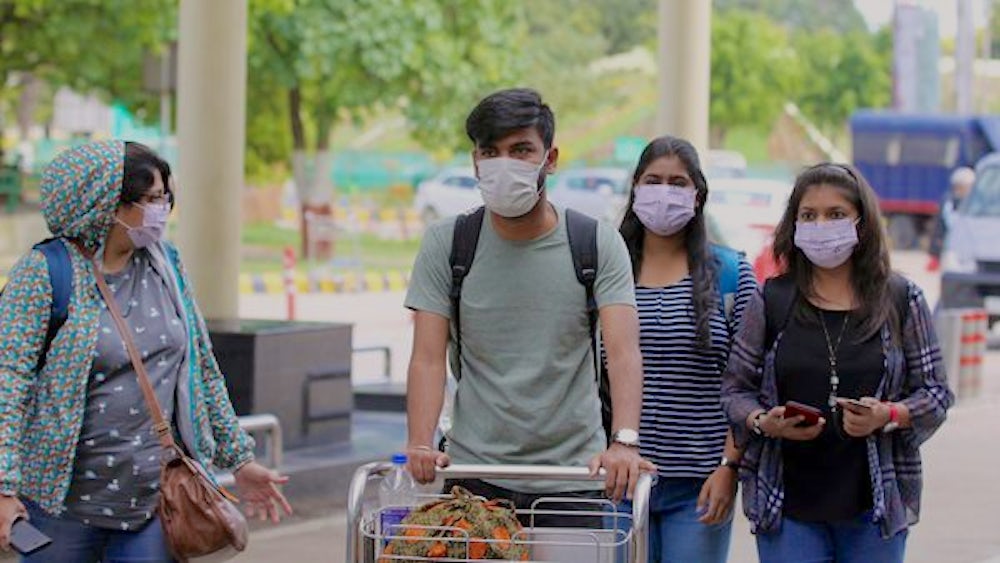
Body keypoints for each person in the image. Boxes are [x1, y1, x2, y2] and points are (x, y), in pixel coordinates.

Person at [0, 141, 292, 562]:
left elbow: (202, 370)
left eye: (166, 198)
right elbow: (8, 384)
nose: (163, 210)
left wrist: (240, 459)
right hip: (60, 507)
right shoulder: (46, 272)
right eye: (152, 198)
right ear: (107, 203)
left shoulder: (165, 265)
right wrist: (4, 487)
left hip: (155, 503)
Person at [404, 88, 654, 521]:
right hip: (474, 475)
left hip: (573, 477)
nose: (505, 164)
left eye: (521, 150)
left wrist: (624, 442)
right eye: (491, 151)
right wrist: (421, 444)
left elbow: (623, 351)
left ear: (550, 159)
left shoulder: (595, 244)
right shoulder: (448, 245)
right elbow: (427, 358)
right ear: (475, 162)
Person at [721, 163, 953, 563]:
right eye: (808, 215)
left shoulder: (900, 298)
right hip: (786, 503)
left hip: (875, 506)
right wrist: (763, 421)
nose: (821, 225)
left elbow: (936, 393)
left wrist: (890, 414)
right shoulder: (772, 299)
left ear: (861, 223)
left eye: (836, 214)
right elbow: (735, 389)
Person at [614, 136, 758, 562]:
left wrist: (730, 466)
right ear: (635, 187)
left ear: (698, 195)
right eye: (653, 180)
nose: (665, 192)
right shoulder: (605, 269)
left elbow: (748, 380)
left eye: (678, 183)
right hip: (614, 481)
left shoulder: (731, 274)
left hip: (699, 485)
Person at [927, 166, 975, 271]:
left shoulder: (976, 204)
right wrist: (935, 253)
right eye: (960, 186)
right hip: (951, 249)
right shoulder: (947, 203)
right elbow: (939, 228)